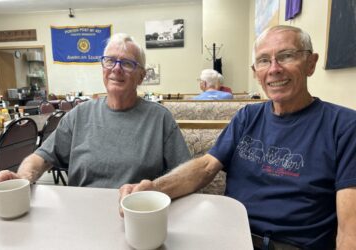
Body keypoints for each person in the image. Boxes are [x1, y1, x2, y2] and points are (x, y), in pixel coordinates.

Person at [120, 25, 356, 249]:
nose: (274, 69)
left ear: (310, 64)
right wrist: (154, 188)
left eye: (286, 56)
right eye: (264, 60)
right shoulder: (247, 116)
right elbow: (205, 167)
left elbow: (349, 232)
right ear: (256, 73)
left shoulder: (345, 127)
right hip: (229, 237)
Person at [0, 33, 190, 197]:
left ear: (141, 76)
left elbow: (185, 175)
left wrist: (157, 190)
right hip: (82, 215)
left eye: (127, 63)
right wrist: (22, 178)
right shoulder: (79, 115)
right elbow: (41, 157)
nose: (116, 69)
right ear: (103, 67)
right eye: (110, 61)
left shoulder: (160, 119)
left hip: (137, 214)